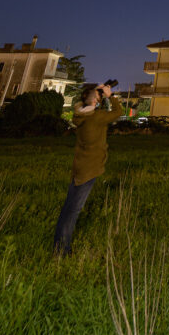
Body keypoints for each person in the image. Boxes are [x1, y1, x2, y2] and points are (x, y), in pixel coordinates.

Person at [53, 81, 123, 256]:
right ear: (94, 102)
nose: (99, 100)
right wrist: (110, 96)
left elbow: (86, 105)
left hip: (79, 167)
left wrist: (95, 92)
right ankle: (62, 250)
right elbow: (117, 112)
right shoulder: (96, 117)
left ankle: (59, 245)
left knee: (68, 208)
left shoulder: (81, 116)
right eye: (98, 98)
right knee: (74, 210)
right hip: (89, 169)